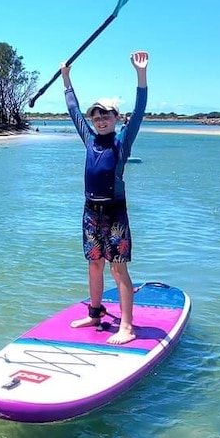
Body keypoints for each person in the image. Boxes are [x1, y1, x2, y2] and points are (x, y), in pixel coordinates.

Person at [61, 51, 149, 345]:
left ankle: (127, 326)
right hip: (90, 212)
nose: (99, 119)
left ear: (115, 119)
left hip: (115, 212)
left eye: (105, 115)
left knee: (117, 267)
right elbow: (73, 110)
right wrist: (66, 79)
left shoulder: (122, 141)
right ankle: (95, 313)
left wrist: (141, 75)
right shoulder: (88, 138)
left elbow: (138, 112)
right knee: (94, 264)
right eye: (95, 115)